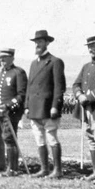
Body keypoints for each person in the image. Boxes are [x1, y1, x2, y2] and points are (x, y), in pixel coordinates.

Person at [25, 30, 66, 179]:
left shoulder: (55, 62)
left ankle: (57, 170)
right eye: (36, 42)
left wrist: (55, 105)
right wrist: (27, 106)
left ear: (47, 43)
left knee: (52, 138)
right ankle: (44, 169)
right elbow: (30, 86)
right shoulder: (33, 63)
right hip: (35, 108)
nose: (37, 44)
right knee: (39, 139)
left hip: (48, 108)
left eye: (40, 42)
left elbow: (59, 87)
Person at [72, 35, 95, 183]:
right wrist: (79, 95)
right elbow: (76, 84)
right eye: (89, 46)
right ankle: (94, 172)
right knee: (90, 140)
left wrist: (90, 97)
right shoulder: (86, 66)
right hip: (85, 109)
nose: (92, 49)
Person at [0, 48, 28, 177]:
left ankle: (12, 169)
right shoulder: (2, 73)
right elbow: (0, 96)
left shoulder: (18, 73)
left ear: (12, 58)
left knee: (10, 138)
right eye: (1, 58)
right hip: (2, 112)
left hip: (12, 112)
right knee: (7, 138)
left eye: (5, 58)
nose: (2, 60)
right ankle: (11, 167)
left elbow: (21, 95)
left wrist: (8, 106)